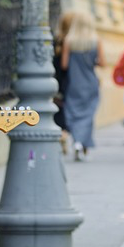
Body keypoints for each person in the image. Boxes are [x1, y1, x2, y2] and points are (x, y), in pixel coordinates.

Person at [61, 11, 105, 161]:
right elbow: (103, 63)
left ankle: (77, 141)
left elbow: (64, 65)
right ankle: (82, 143)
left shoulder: (69, 41)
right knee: (88, 114)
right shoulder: (96, 40)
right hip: (91, 82)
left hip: (75, 83)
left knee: (73, 112)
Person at [53, 12, 74, 154]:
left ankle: (61, 134)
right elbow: (66, 64)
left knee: (58, 109)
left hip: (55, 78)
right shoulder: (72, 43)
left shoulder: (56, 41)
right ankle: (64, 134)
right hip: (68, 80)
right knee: (67, 108)